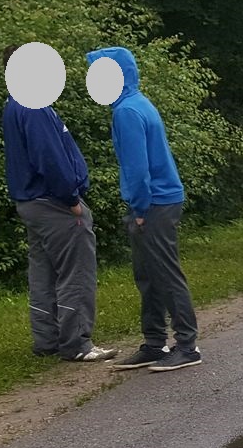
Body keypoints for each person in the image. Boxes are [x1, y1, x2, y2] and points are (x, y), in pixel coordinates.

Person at [87, 46, 202, 371]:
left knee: (164, 274)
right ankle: (154, 343)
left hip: (154, 202)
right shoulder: (134, 104)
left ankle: (187, 345)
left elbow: (138, 170)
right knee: (147, 274)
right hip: (158, 199)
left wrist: (139, 208)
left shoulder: (127, 112)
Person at [3, 46, 115, 363]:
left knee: (43, 274)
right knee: (74, 272)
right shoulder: (34, 106)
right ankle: (76, 342)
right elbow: (49, 158)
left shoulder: (14, 105)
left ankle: (47, 339)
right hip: (55, 203)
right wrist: (71, 199)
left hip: (31, 201)